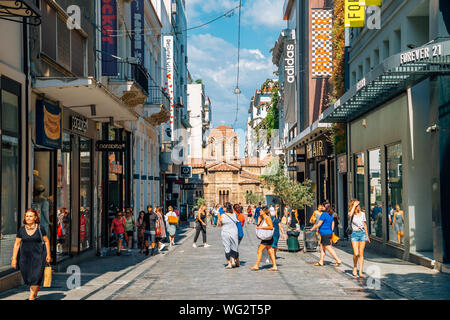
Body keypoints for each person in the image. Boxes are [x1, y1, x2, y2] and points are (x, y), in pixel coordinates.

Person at [11, 209, 51, 300]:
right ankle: (35, 288)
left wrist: (48, 255)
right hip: (25, 258)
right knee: (27, 277)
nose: (29, 218)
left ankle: (31, 296)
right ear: (25, 217)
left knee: (35, 276)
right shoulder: (21, 229)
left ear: (35, 217)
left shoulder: (40, 228)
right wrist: (14, 258)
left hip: (39, 256)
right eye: (27, 216)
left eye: (31, 216)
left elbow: (46, 241)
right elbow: (17, 244)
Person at [249, 207, 278, 271]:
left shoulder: (267, 218)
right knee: (270, 251)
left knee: (259, 250)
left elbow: (271, 227)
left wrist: (262, 227)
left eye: (261, 210)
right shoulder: (264, 218)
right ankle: (274, 266)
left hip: (266, 238)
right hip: (267, 238)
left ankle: (256, 265)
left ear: (264, 211)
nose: (260, 211)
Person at [349, 199, 370, 278]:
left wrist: (367, 236)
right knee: (356, 253)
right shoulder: (351, 214)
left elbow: (365, 225)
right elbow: (350, 215)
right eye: (356, 206)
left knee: (361, 254)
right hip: (354, 234)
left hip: (362, 234)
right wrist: (354, 206)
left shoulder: (363, 214)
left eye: (358, 205)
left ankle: (360, 272)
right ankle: (355, 267)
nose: (358, 207)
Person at [218, 203, 240, 269]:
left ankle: (229, 263)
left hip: (225, 233)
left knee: (227, 247)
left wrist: (219, 218)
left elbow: (219, 224)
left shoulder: (222, 215)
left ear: (226, 208)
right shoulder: (235, 215)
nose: (222, 209)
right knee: (234, 247)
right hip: (234, 233)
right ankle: (234, 261)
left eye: (223, 207)